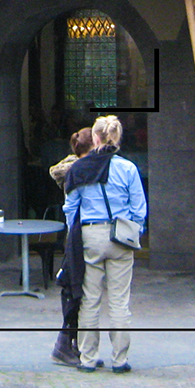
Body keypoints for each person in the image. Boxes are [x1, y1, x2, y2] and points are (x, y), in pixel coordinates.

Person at [62, 115, 147, 374]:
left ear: (95, 138)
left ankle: (88, 358)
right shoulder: (128, 168)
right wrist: (135, 231)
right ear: (117, 137)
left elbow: (70, 207)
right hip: (120, 235)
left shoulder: (79, 168)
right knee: (119, 302)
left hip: (90, 236)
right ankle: (120, 360)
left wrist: (72, 235)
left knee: (89, 299)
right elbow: (139, 208)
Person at [48, 127, 95, 365]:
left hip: (75, 234)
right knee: (75, 290)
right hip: (78, 235)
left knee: (75, 288)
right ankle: (64, 344)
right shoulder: (78, 171)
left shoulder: (73, 170)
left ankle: (70, 344)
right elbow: (72, 207)